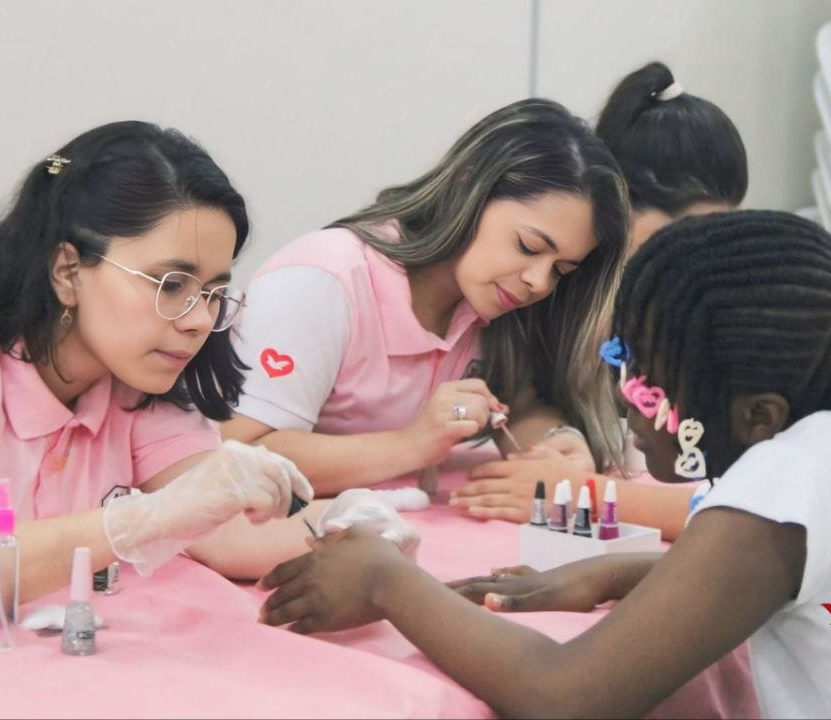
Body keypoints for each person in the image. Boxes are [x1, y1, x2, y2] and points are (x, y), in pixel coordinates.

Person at [258, 211, 831, 718]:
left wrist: (384, 582)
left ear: (755, 417)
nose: (625, 394)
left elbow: (565, 697)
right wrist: (625, 572)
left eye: (646, 373)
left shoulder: (790, 475)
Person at [0, 122, 333, 601]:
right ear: (68, 269)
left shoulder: (130, 368)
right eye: (172, 285)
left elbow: (228, 533)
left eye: (215, 291)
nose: (199, 320)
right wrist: (137, 521)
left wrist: (351, 523)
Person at [220, 99, 629, 494]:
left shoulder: (495, 303)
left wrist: (555, 443)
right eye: (527, 246)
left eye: (561, 270)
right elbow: (241, 454)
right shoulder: (324, 281)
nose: (540, 283)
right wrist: (411, 444)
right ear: (469, 183)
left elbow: (519, 404)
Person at [451, 62, 749, 538]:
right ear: (619, 206)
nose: (701, 255)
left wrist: (583, 488)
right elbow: (527, 397)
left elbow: (752, 512)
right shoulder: (545, 289)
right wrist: (561, 440)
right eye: (687, 232)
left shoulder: (715, 306)